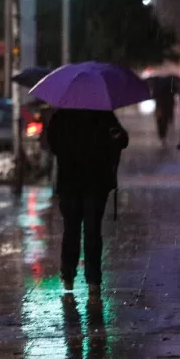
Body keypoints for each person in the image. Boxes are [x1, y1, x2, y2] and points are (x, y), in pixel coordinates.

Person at [47, 109, 128, 298]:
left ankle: (71, 276)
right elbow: (121, 140)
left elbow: (51, 144)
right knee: (89, 231)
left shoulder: (62, 115)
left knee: (73, 230)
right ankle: (90, 280)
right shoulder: (103, 114)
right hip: (91, 182)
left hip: (76, 182)